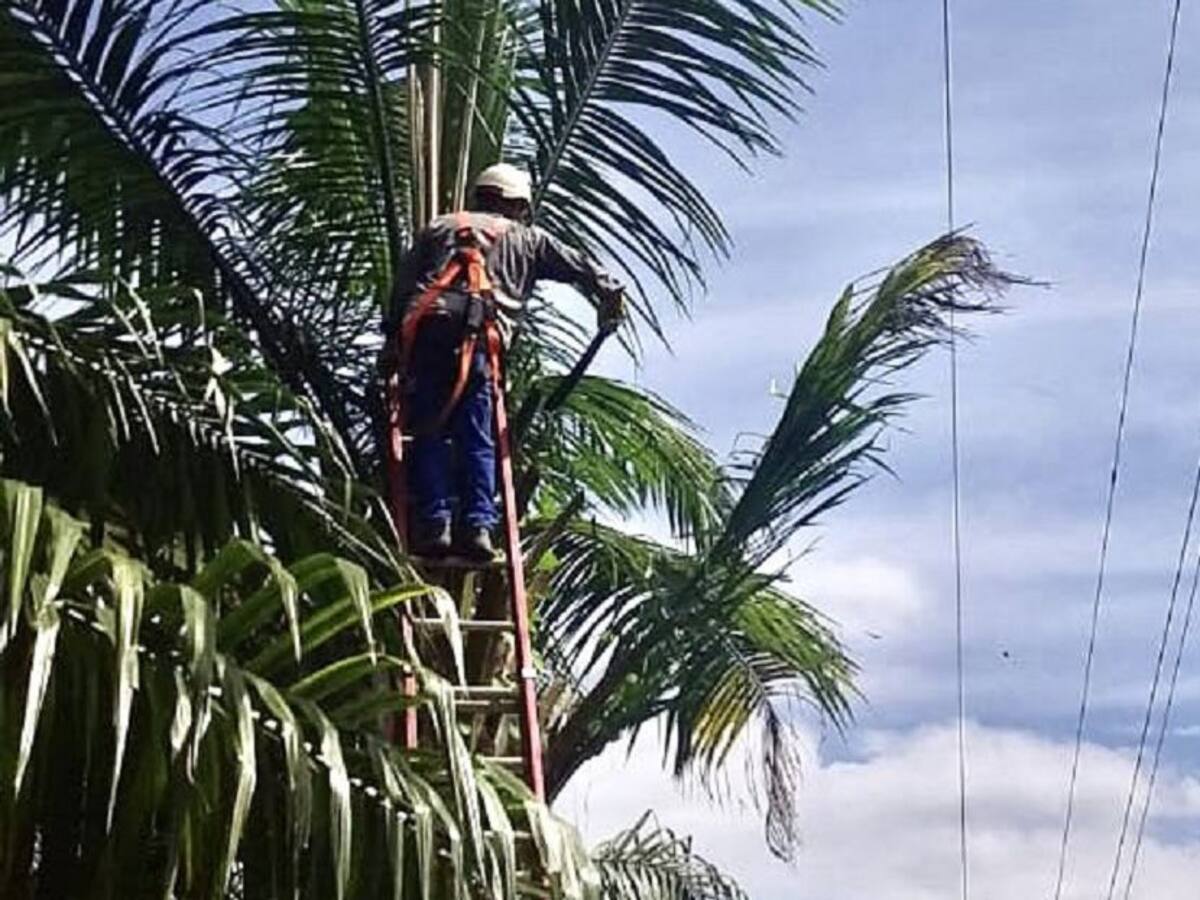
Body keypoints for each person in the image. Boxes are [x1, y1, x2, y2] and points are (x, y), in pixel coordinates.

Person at [386, 163, 626, 560]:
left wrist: (392, 343)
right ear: (519, 205)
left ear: (480, 197)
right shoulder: (528, 238)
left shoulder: (439, 226)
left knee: (427, 428)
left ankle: (435, 523)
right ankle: (479, 525)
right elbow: (583, 267)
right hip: (479, 341)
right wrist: (611, 298)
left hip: (428, 333)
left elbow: (403, 287)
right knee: (476, 435)